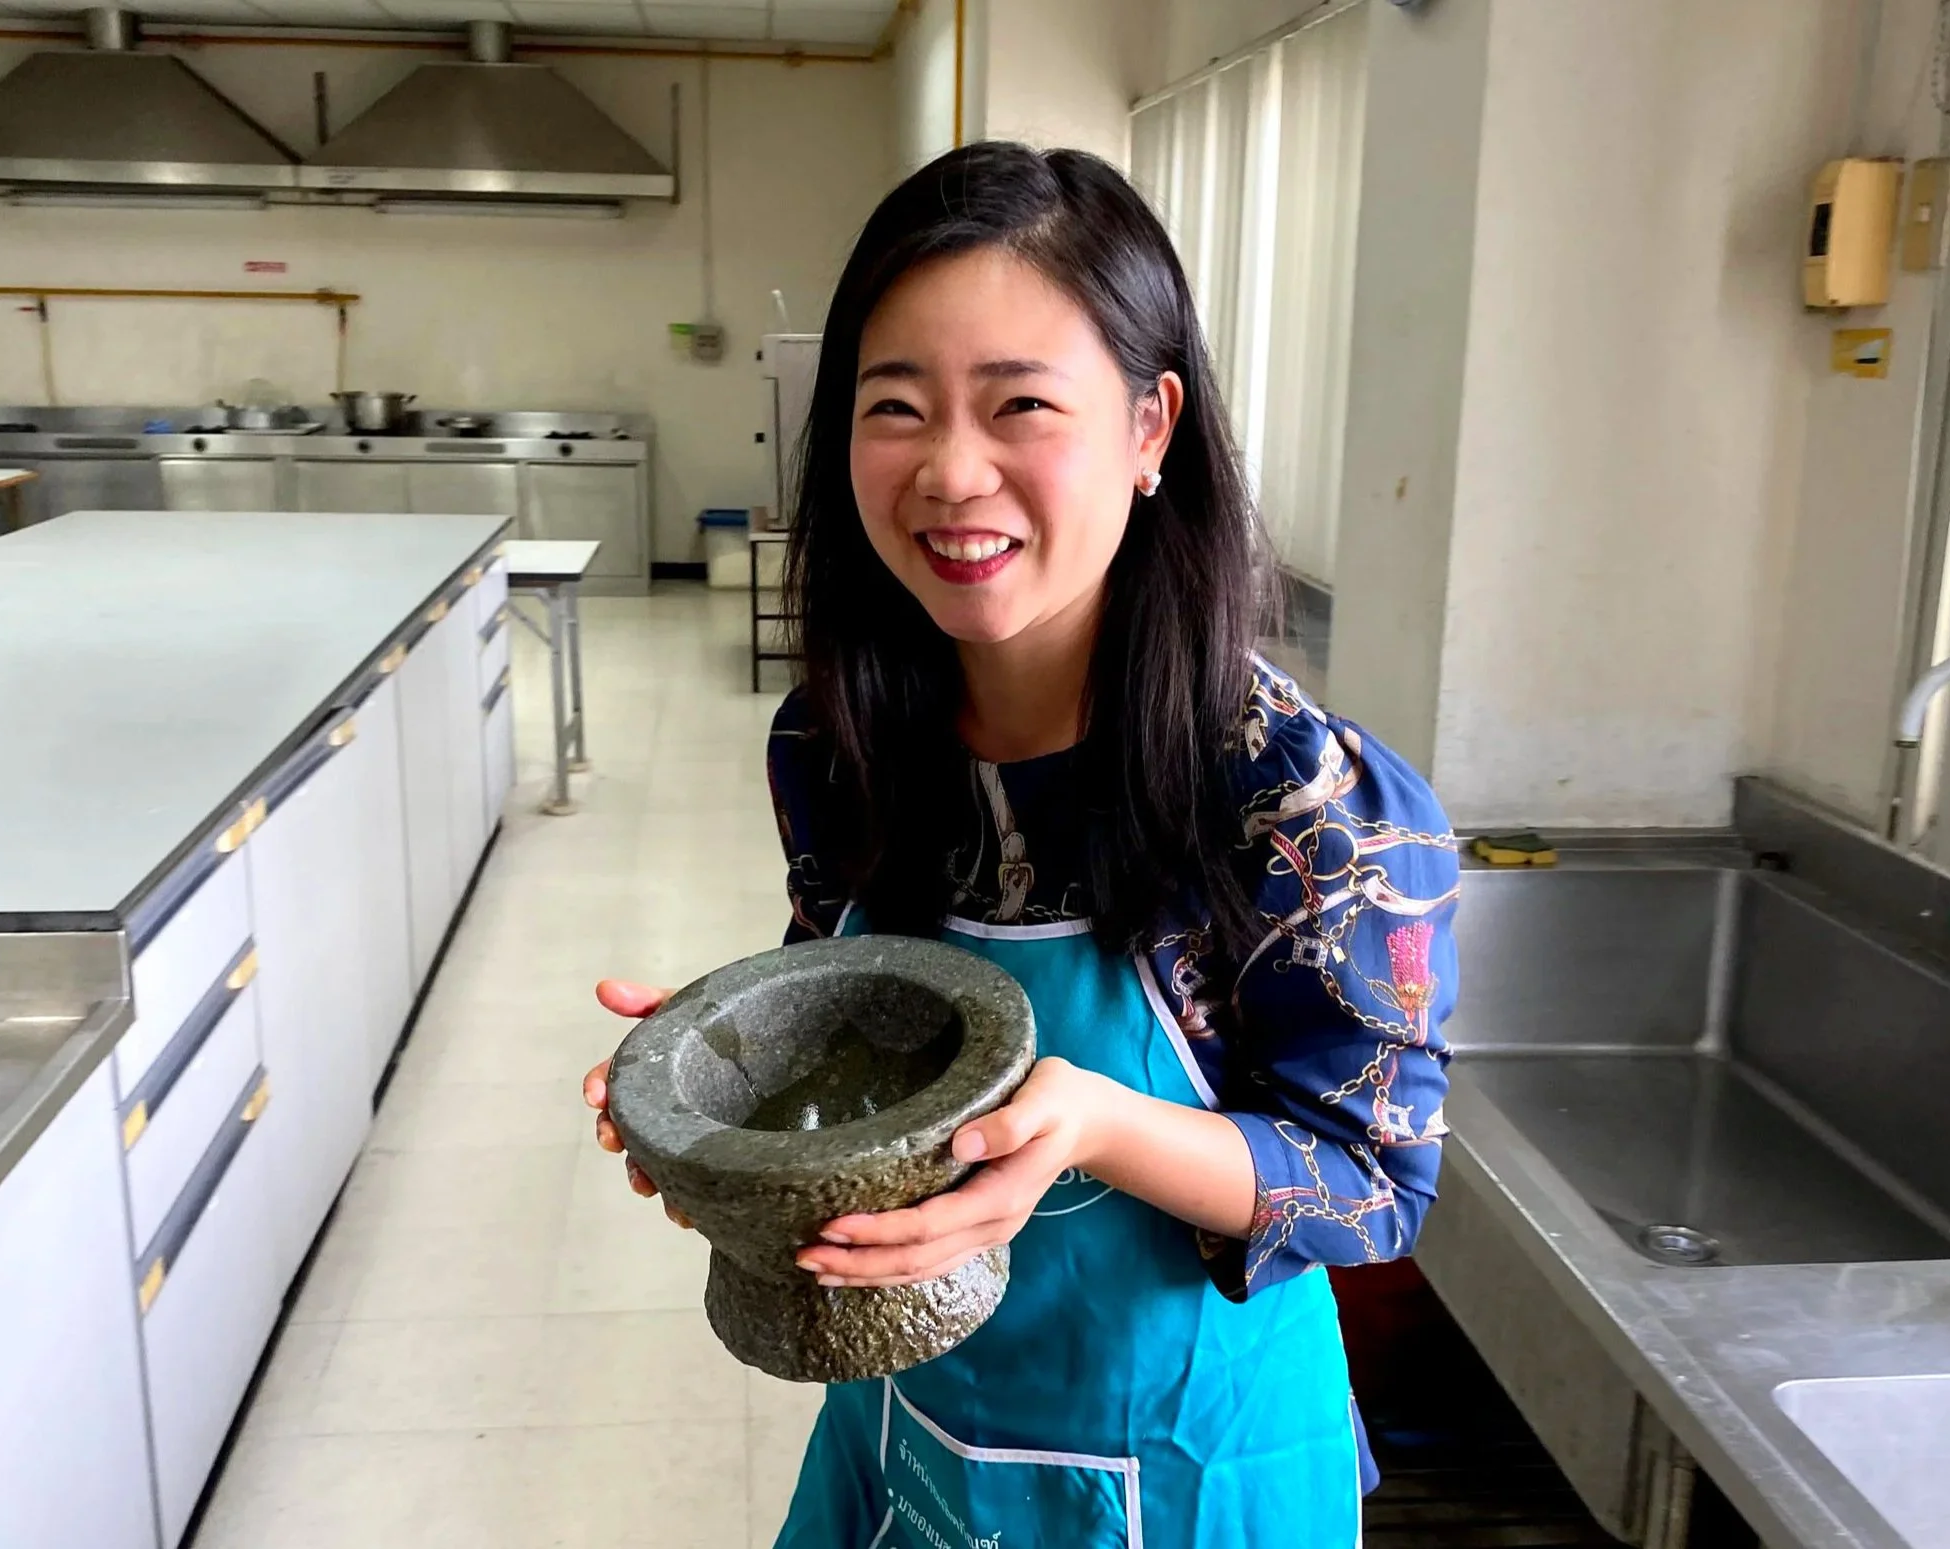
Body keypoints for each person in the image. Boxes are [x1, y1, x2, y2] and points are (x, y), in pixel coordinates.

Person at [584, 140, 1460, 1548]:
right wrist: (729, 1102)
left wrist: (1098, 1129)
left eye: (1019, 406)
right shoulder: (839, 738)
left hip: (1187, 1464)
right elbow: (848, 1025)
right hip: (909, 1415)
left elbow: (1373, 1183)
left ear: (1148, 427)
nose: (949, 471)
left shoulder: (1296, 799)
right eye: (895, 406)